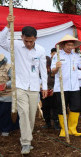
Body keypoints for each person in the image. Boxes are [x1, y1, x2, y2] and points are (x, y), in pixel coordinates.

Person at [0, 15, 48, 154]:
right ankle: (26, 143)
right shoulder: (15, 45)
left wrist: (44, 87)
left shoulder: (40, 50)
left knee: (31, 115)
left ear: (35, 39)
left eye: (31, 41)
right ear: (22, 37)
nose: (28, 44)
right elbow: (1, 40)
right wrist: (8, 26)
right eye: (26, 41)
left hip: (34, 87)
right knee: (23, 112)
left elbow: (43, 70)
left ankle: (27, 138)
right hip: (19, 86)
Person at [51, 34, 81, 137]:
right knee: (62, 108)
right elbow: (53, 72)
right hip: (61, 87)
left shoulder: (76, 55)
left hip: (74, 87)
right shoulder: (57, 55)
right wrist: (57, 67)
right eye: (68, 45)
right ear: (63, 45)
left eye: (72, 45)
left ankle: (72, 129)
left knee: (76, 107)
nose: (70, 47)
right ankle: (64, 129)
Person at [0, 54, 19, 136]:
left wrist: (6, 85)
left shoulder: (9, 67)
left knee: (5, 113)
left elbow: (14, 80)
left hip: (8, 94)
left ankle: (6, 130)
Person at [40, 56, 59, 130]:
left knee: (55, 108)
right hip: (43, 93)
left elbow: (58, 81)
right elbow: (38, 81)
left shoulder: (54, 71)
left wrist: (53, 90)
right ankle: (47, 123)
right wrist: (41, 88)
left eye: (48, 65)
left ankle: (56, 123)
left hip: (54, 92)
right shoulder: (40, 71)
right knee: (45, 108)